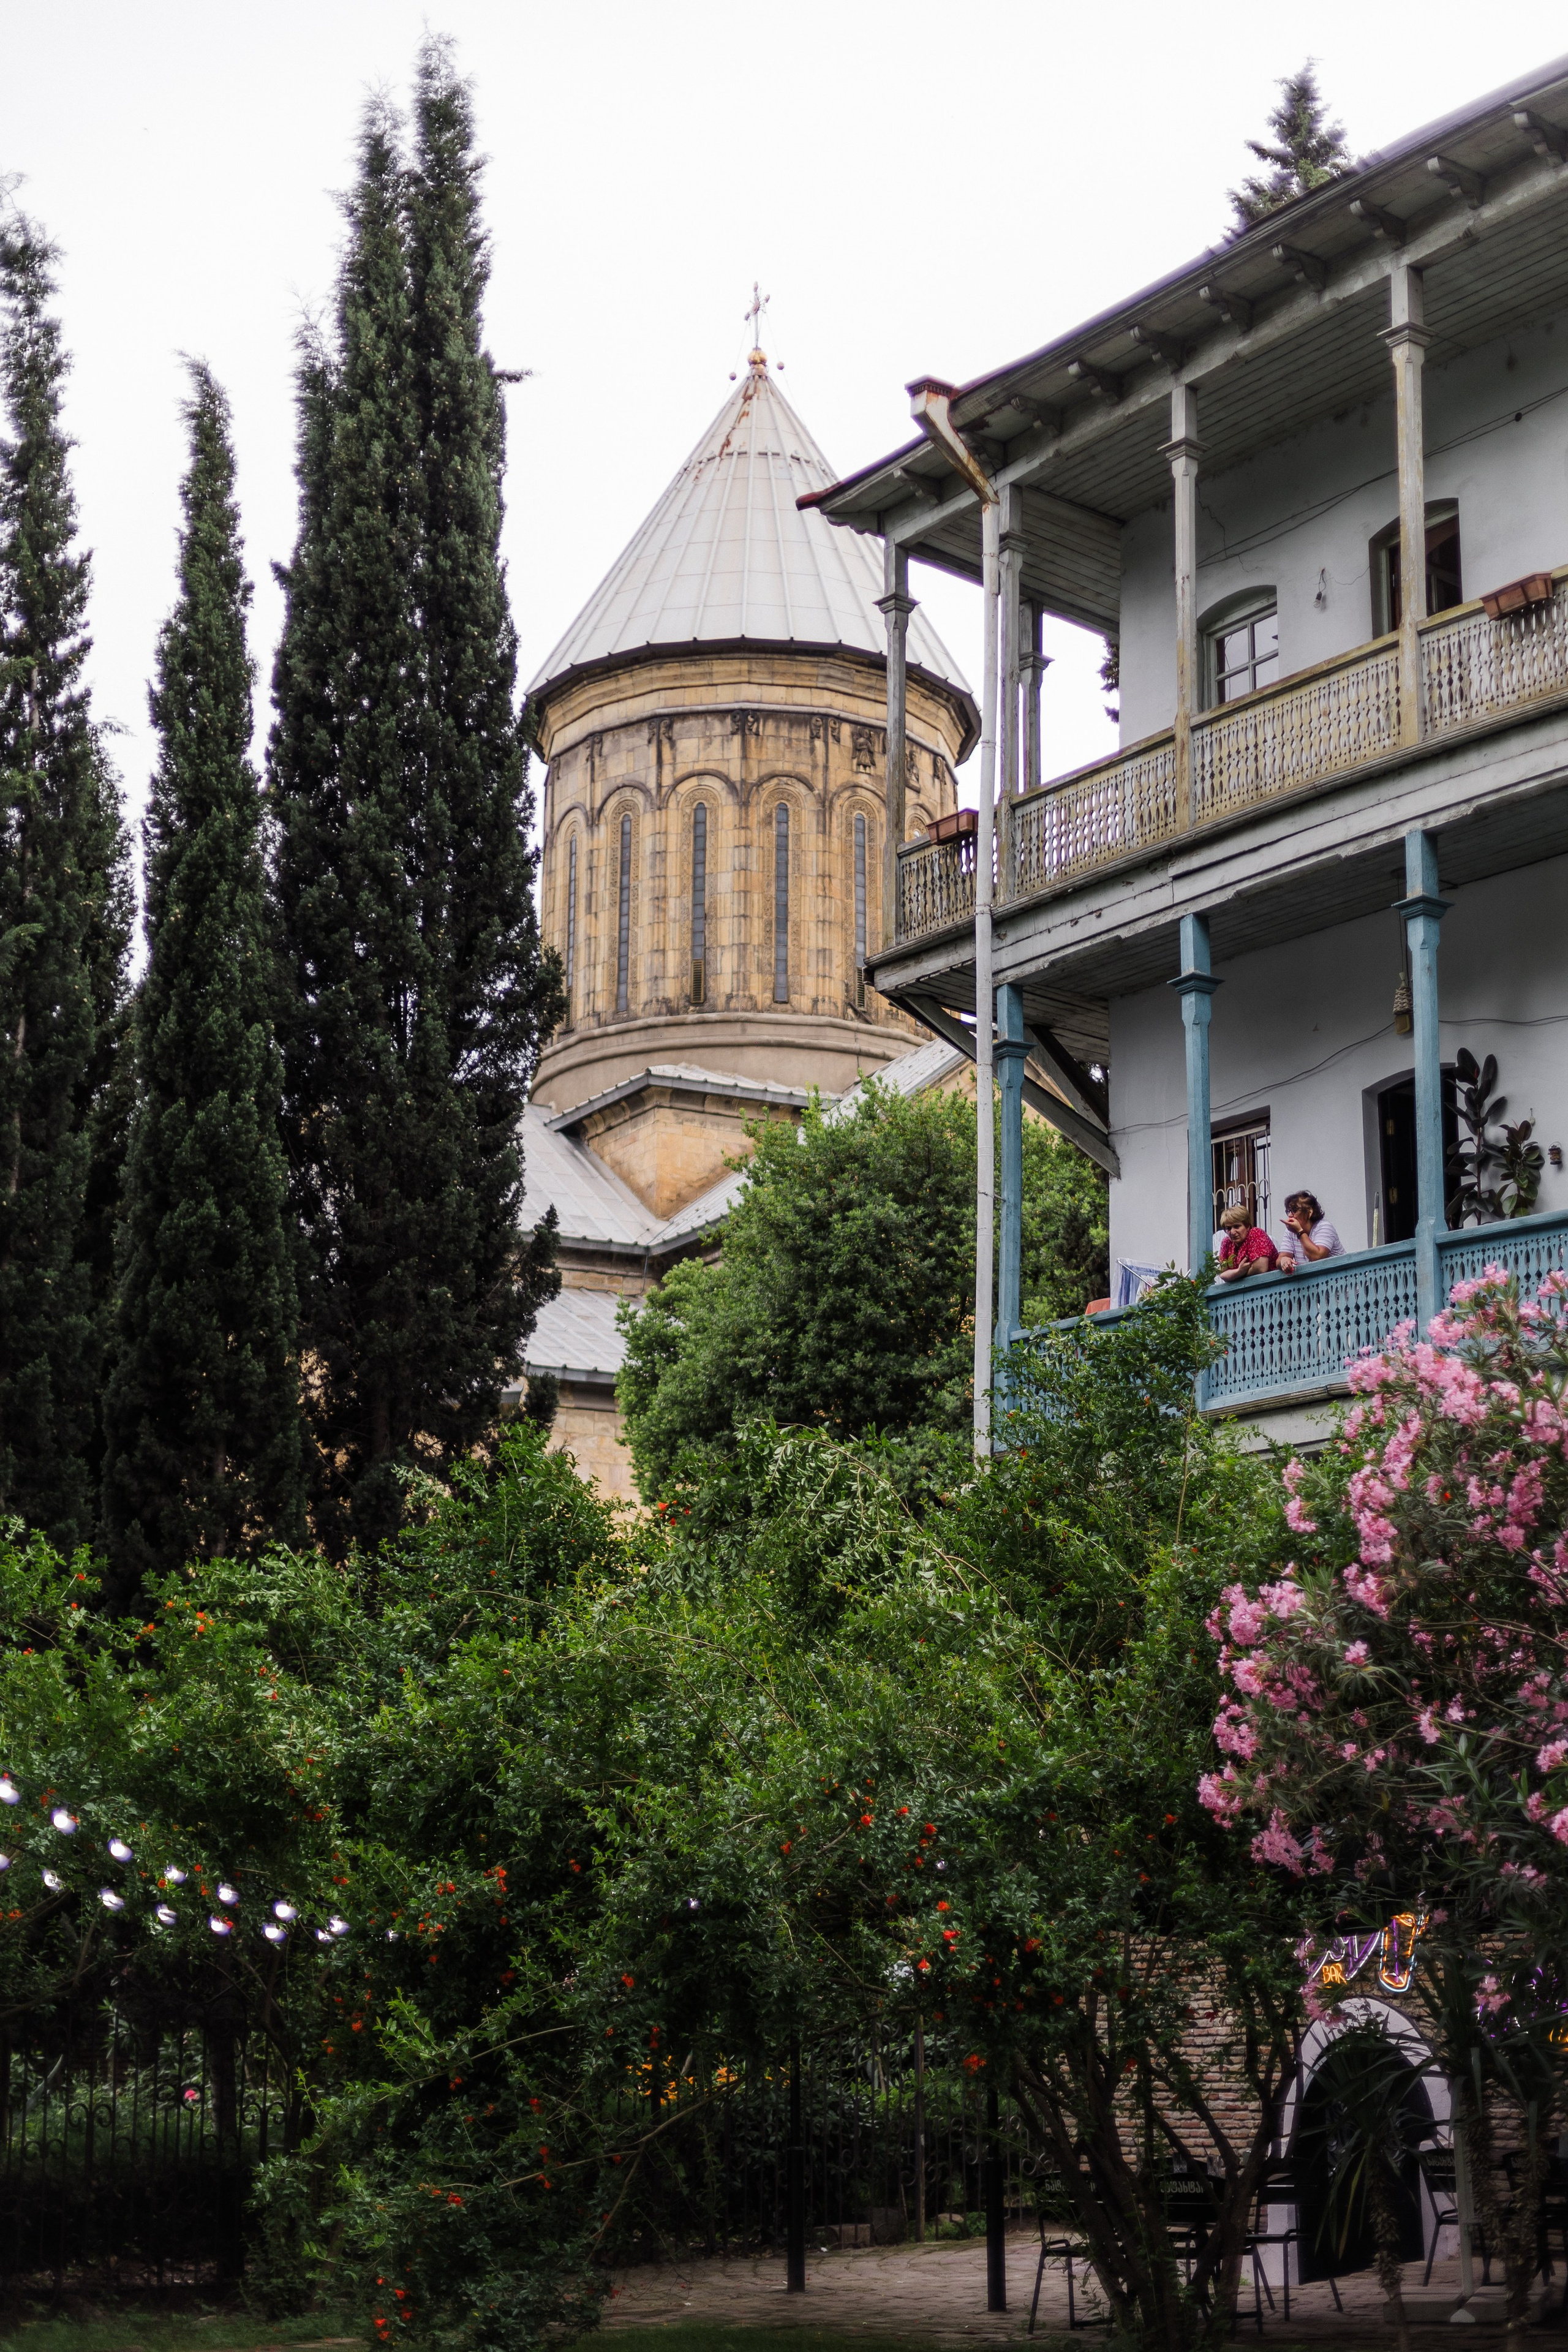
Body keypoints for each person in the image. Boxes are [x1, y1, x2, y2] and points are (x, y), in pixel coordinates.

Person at [1276, 1190, 1344, 1273]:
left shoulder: (1324, 1226)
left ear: (1310, 1212)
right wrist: (1284, 1260)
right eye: (1288, 1211)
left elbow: (1317, 1257)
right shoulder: (1290, 1232)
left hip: (1346, 1283)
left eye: (1295, 1210)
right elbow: (1281, 1258)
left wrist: (1300, 1233)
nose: (1290, 1215)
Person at [1215, 1204, 1278, 1281]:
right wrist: (1239, 1271)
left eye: (1237, 1226)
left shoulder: (1256, 1234)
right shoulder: (1226, 1242)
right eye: (1228, 1228)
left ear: (1247, 1226)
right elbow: (1223, 1274)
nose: (1232, 1232)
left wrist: (1234, 1275)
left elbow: (1261, 1269)